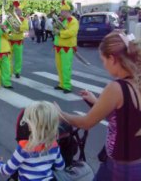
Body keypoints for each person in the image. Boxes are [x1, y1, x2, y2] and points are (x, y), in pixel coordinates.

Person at [55, 31, 141, 180]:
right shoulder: (136, 82)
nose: (105, 66)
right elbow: (127, 119)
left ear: (112, 59)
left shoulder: (116, 87)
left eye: (103, 61)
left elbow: (86, 123)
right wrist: (96, 102)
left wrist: (60, 114)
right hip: (135, 163)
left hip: (118, 168)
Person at [0, 101, 65, 180]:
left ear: (31, 126)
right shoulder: (54, 145)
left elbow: (6, 171)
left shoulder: (24, 148)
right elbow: (60, 167)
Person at [53, 0, 79, 93]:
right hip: (58, 46)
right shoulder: (61, 20)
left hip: (67, 47)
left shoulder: (73, 21)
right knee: (59, 67)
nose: (60, 13)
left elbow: (72, 32)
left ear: (66, 12)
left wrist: (59, 32)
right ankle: (61, 84)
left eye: (62, 11)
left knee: (66, 67)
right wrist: (55, 27)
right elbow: (54, 29)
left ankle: (67, 86)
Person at [9, 1, 29, 78]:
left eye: (19, 10)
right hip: (10, 41)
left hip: (19, 42)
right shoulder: (10, 19)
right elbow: (5, 27)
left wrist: (18, 28)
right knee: (8, 58)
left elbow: (26, 27)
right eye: (16, 10)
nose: (18, 12)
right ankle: (9, 72)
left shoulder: (23, 19)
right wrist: (10, 34)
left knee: (18, 58)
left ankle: (17, 72)